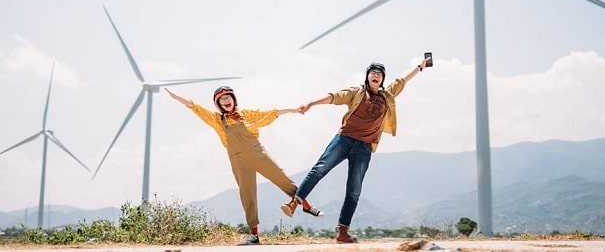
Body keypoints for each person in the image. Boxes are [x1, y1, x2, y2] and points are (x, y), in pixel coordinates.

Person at [281, 56, 432, 243]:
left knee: (354, 190)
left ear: (382, 79)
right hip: (344, 140)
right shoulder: (356, 92)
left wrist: (421, 66)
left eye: (379, 74)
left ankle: (342, 232)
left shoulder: (387, 95)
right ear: (367, 76)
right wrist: (311, 103)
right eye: (373, 73)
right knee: (319, 169)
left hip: (364, 148)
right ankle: (295, 202)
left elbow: (404, 79)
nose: (376, 75)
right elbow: (334, 97)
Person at [166, 85, 322, 246]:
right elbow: (195, 107)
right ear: (218, 105)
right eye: (221, 99)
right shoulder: (217, 121)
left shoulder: (247, 115)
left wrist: (293, 110)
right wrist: (176, 96)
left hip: (258, 154)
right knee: (247, 195)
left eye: (228, 97)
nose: (226, 101)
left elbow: (271, 113)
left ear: (233, 99)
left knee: (283, 179)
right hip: (238, 161)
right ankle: (254, 236)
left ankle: (307, 206)